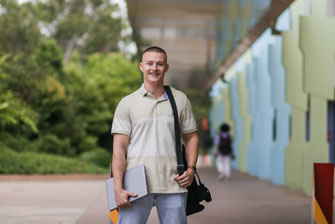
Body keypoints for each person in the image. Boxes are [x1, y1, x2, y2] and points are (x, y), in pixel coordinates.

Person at [111, 46, 199, 224]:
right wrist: (117, 188)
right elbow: (119, 150)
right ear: (141, 66)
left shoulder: (180, 99)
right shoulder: (127, 103)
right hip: (135, 185)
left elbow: (192, 137)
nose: (154, 68)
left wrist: (191, 169)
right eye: (150, 63)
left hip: (174, 184)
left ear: (166, 68)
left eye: (160, 64)